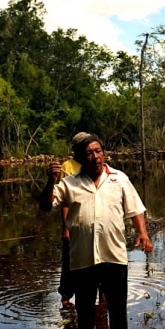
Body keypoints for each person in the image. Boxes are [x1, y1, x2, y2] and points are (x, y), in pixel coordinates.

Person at [40, 134, 153, 329]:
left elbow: (135, 209)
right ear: (81, 158)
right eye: (89, 153)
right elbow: (45, 206)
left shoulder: (119, 179)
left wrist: (143, 233)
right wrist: (51, 181)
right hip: (83, 256)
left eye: (98, 151)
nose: (95, 157)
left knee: (117, 303)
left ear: (104, 153)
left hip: (114, 253)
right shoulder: (70, 183)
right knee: (84, 305)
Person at [58, 132, 91, 309]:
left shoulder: (94, 163)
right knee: (69, 260)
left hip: (92, 224)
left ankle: (101, 296)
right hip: (74, 222)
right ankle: (66, 296)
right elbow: (64, 201)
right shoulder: (68, 167)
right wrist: (66, 227)